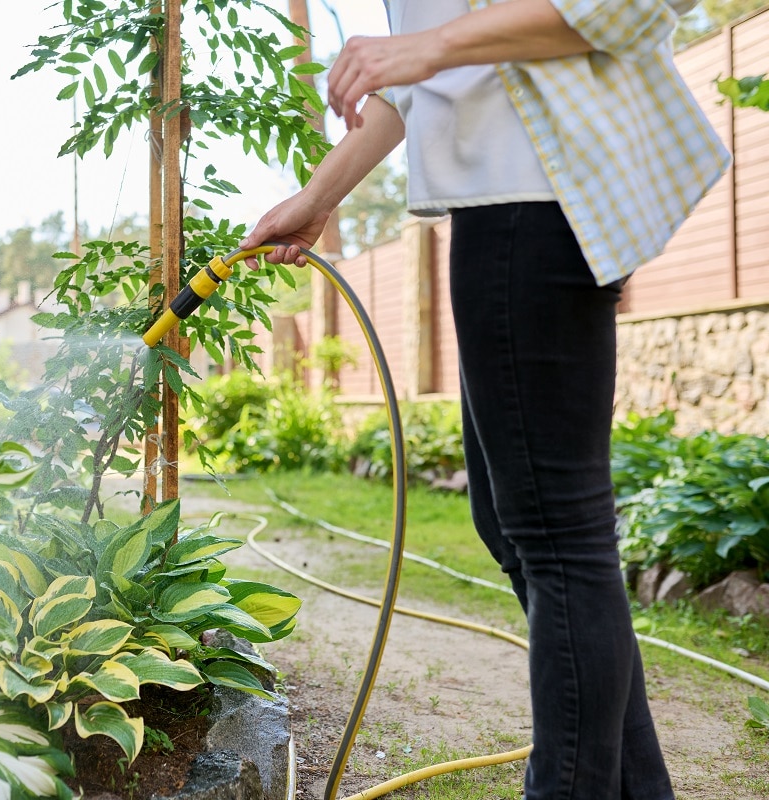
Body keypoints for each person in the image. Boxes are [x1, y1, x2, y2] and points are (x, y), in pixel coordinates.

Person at [239, 2, 730, 798]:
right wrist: (320, 196)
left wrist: (424, 46)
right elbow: (432, 80)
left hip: (535, 201)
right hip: (502, 207)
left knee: (558, 535)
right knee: (516, 525)